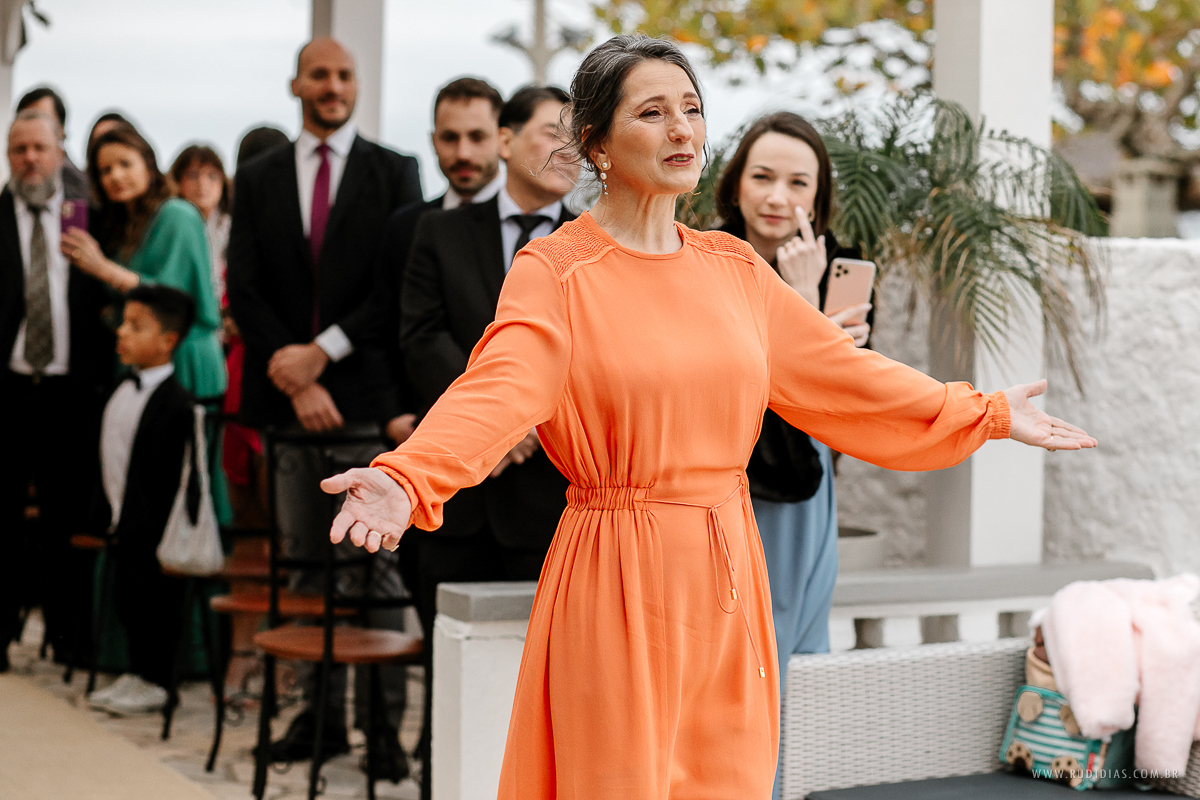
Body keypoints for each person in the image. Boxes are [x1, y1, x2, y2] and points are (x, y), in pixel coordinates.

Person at [323, 34, 1097, 799]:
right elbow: (498, 385)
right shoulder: (557, 270)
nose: (682, 129)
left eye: (691, 108)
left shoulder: (733, 269)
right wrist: (407, 476)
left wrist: (984, 412)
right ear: (595, 142)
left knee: (726, 781)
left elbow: (844, 377)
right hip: (615, 569)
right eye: (653, 112)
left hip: (729, 572)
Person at [226, 37, 422, 781]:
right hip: (286, 405)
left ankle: (383, 732)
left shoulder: (394, 170)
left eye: (343, 75)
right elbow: (245, 282)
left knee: (375, 573)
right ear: (296, 84)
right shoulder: (260, 176)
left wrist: (324, 355)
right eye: (319, 74)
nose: (332, 86)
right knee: (307, 568)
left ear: (358, 86)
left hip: (364, 399)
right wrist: (295, 374)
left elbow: (393, 285)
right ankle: (319, 721)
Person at [397, 83, 578, 799]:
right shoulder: (439, 234)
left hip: (548, 498)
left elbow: (596, 358)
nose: (567, 148)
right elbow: (419, 338)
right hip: (457, 500)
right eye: (549, 132)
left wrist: (530, 424)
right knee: (449, 667)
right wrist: (491, 426)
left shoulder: (590, 243)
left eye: (576, 134)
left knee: (544, 679)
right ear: (505, 141)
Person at [715, 110, 873, 799]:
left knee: (798, 650)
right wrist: (802, 306)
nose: (779, 197)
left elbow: (849, 402)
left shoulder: (843, 265)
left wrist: (841, 338)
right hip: (729, 482)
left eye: (797, 182)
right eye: (763, 176)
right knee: (742, 659)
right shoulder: (703, 259)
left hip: (807, 487)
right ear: (736, 185)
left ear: (818, 194)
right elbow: (724, 383)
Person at [0, 109, 112, 672]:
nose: (30, 159)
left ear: (59, 149)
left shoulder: (87, 215)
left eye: (39, 148)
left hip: (72, 393)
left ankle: (70, 638)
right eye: (19, 149)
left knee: (67, 519)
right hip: (10, 389)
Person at [85, 284, 198, 716]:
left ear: (169, 340)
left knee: (156, 605)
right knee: (129, 601)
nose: (122, 334)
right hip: (122, 523)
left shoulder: (176, 403)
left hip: (155, 531)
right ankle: (137, 671)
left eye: (136, 327)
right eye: (122, 324)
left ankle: (158, 680)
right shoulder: (120, 390)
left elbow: (169, 477)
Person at [61, 124, 226, 400]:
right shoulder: (123, 226)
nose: (116, 176)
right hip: (139, 365)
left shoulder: (177, 214)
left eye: (125, 164)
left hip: (182, 362)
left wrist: (103, 269)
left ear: (149, 165)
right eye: (105, 170)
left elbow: (171, 299)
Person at [169, 144, 230, 305]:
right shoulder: (168, 225)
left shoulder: (232, 227)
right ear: (177, 181)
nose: (202, 183)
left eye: (212, 176)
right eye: (193, 175)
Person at [16, 86, 87, 196]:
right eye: (28, 119)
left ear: (61, 129)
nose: (30, 157)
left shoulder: (83, 191)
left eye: (42, 119)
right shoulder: (8, 193)